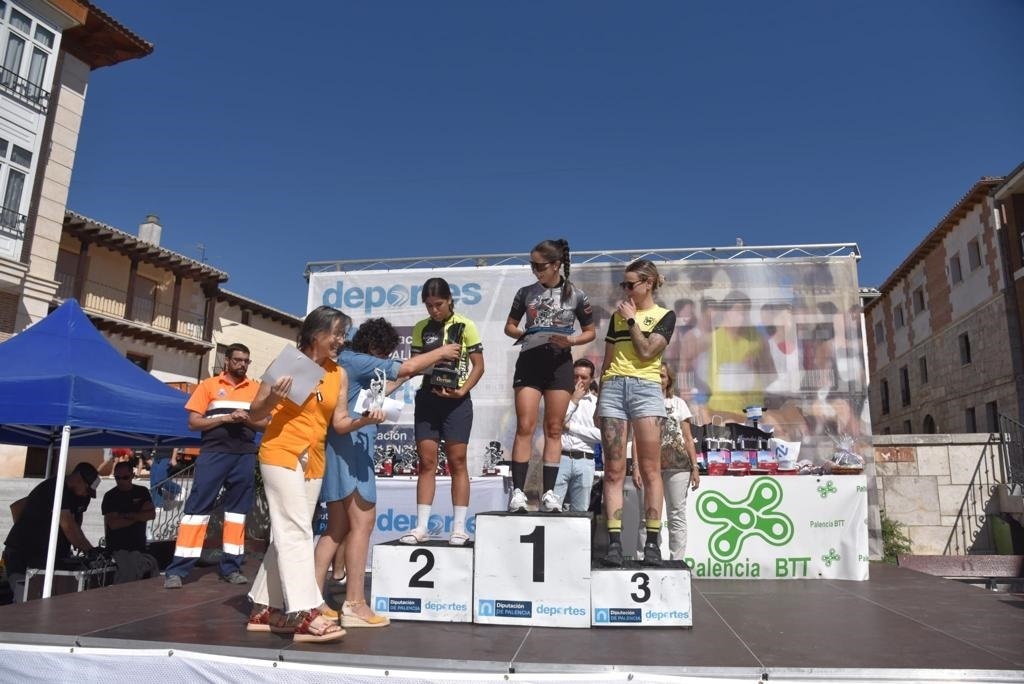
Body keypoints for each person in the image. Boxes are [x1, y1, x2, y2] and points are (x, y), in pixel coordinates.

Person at [246, 306, 380, 643]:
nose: (340, 340)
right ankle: (305, 611)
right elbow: (255, 414)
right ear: (315, 333)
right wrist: (272, 398)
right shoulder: (289, 363)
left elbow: (339, 423)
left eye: (343, 334)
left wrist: (365, 419)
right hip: (280, 451)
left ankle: (264, 608)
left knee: (290, 532)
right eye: (335, 333)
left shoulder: (338, 374)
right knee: (297, 531)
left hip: (314, 459)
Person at [315, 316, 461, 624]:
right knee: (363, 523)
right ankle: (355, 603)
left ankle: (311, 600)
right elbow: (404, 367)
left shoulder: (349, 363)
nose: (385, 359)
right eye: (383, 354)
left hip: (343, 449)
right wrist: (441, 352)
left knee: (336, 528)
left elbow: (379, 393)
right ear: (373, 347)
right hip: (352, 451)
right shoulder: (358, 360)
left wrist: (410, 375)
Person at [164, 344, 268, 589]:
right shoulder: (209, 386)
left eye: (246, 361)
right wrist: (225, 418)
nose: (242, 364)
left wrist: (247, 419)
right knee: (197, 510)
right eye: (238, 360)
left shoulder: (255, 389)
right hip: (213, 453)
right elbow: (193, 423)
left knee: (237, 513)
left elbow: (265, 424)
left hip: (244, 455)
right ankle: (178, 570)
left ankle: (231, 568)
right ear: (227, 360)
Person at [504, 238, 596, 513]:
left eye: (540, 266)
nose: (535, 270)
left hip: (559, 363)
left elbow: (590, 331)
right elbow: (510, 326)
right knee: (525, 425)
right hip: (530, 361)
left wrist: (571, 341)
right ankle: (518, 492)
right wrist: (525, 333)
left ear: (556, 264)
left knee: (554, 428)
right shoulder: (525, 293)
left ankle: (549, 494)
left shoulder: (576, 295)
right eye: (532, 265)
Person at [597, 259, 675, 567]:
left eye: (630, 284)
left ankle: (652, 544)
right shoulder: (617, 317)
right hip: (614, 388)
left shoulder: (664, 316)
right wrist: (600, 398)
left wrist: (632, 320)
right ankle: (614, 544)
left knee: (651, 469)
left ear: (648, 283)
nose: (626, 290)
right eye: (623, 285)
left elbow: (646, 352)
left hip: (646, 389)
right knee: (614, 470)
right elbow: (608, 359)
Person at [400, 277, 485, 545]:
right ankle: (421, 527)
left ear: (449, 300)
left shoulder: (466, 325)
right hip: (428, 399)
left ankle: (459, 528)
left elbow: (479, 366)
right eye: (429, 305)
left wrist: (462, 391)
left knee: (457, 461)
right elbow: (414, 365)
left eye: (438, 304)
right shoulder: (421, 328)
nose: (434, 310)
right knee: (426, 462)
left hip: (457, 401)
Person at [2, 462, 101, 602]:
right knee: (24, 598)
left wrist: (75, 542)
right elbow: (67, 524)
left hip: (48, 556)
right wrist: (89, 550)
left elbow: (75, 520)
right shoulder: (55, 488)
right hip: (23, 556)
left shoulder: (81, 497)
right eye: (86, 489)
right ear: (78, 479)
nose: (87, 494)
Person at [649, 363, 700, 560]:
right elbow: (636, 439)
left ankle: (677, 559)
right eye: (655, 376)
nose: (659, 380)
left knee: (676, 513)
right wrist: (635, 465)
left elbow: (687, 438)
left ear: (669, 380)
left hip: (677, 466)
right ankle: (648, 557)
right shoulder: (644, 403)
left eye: (662, 376)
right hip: (650, 466)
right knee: (650, 514)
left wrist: (695, 467)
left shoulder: (678, 403)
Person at [553, 358, 600, 512]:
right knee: (552, 507)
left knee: (580, 512)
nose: (579, 381)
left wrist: (571, 427)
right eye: (575, 376)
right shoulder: (561, 398)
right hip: (561, 457)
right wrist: (573, 400)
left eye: (584, 377)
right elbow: (557, 423)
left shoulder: (596, 403)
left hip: (585, 460)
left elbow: (601, 435)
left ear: (591, 379)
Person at [102, 461, 155, 553]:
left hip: (139, 548)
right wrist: (139, 516)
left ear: (132, 475)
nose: (121, 481)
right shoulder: (110, 496)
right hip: (116, 550)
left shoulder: (142, 491)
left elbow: (151, 515)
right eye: (117, 478)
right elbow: (114, 524)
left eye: (125, 477)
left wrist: (125, 515)